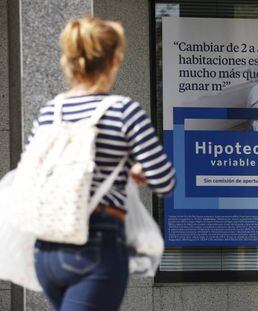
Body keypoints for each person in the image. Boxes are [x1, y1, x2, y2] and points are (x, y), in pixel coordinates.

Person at [31, 17, 175, 311]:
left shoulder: (50, 112)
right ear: (114, 60)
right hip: (97, 243)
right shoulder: (124, 111)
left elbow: (34, 173)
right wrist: (139, 169)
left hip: (47, 247)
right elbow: (165, 181)